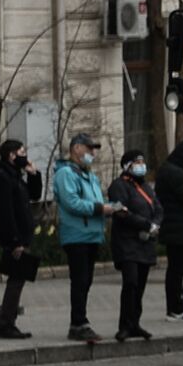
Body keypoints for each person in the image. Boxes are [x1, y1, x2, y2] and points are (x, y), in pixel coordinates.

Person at [54, 133, 124, 343]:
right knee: (80, 280)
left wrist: (110, 208)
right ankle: (78, 324)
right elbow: (72, 203)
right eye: (89, 148)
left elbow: (94, 199)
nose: (92, 153)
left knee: (86, 281)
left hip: (91, 234)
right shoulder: (66, 173)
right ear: (76, 148)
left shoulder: (88, 174)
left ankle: (80, 321)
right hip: (77, 234)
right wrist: (101, 208)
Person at [108, 149, 164, 341]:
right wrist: (145, 224)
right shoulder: (118, 186)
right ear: (127, 166)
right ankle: (124, 325)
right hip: (127, 243)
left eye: (142, 162)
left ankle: (135, 323)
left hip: (145, 243)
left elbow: (158, 208)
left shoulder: (146, 186)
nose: (141, 166)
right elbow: (120, 211)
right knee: (130, 283)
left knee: (139, 286)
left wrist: (155, 224)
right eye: (137, 163)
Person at [0, 139, 43, 338]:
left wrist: (34, 174)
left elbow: (34, 195)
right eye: (21, 152)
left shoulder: (16, 176)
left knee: (18, 280)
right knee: (15, 281)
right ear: (11, 155)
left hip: (23, 236)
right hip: (16, 239)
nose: (25, 156)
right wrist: (15, 241)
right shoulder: (2, 178)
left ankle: (7, 322)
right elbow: (5, 213)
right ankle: (6, 324)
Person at [155, 139, 183, 319]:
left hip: (174, 228)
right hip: (180, 229)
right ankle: (176, 306)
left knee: (177, 269)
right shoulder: (177, 174)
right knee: (179, 270)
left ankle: (178, 305)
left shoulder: (167, 170)